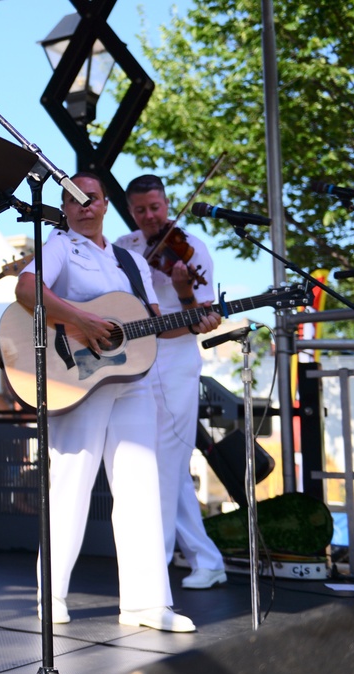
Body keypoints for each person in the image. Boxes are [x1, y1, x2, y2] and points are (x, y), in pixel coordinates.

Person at [13, 172, 219, 632]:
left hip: (132, 379)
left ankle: (147, 604)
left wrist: (195, 314)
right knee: (70, 483)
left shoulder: (131, 260)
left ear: (106, 205)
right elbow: (27, 290)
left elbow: (153, 323)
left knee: (142, 486)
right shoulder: (60, 245)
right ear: (65, 208)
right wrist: (81, 319)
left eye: (93, 199)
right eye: (75, 200)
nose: (85, 206)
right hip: (78, 379)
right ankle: (53, 594)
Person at [115, 174, 227, 590]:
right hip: (136, 360)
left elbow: (200, 317)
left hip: (175, 360)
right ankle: (207, 559)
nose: (149, 216)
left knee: (165, 463)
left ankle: (155, 568)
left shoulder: (192, 248)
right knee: (169, 467)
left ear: (166, 204)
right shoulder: (124, 247)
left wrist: (182, 290)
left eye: (156, 208)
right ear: (131, 211)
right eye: (141, 210)